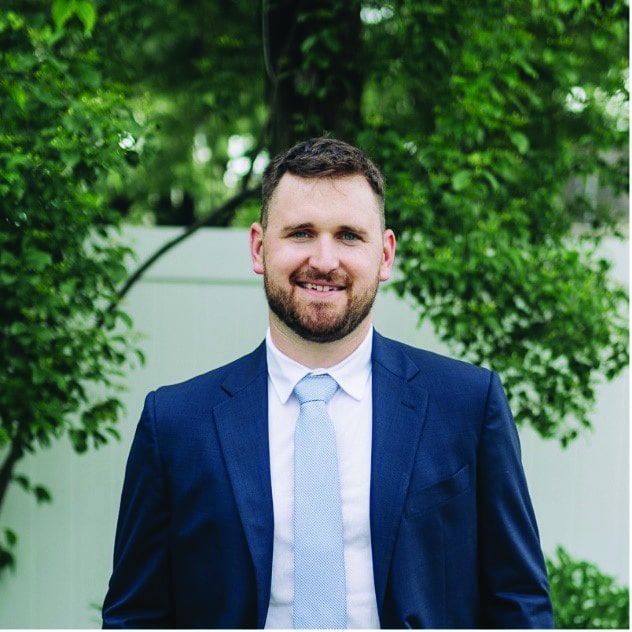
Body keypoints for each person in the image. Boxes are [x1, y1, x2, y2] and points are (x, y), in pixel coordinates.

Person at [102, 137, 554, 629]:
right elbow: (136, 616)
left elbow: (520, 604)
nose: (323, 259)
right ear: (258, 247)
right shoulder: (175, 425)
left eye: (348, 236)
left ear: (385, 256)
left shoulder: (467, 405)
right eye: (300, 232)